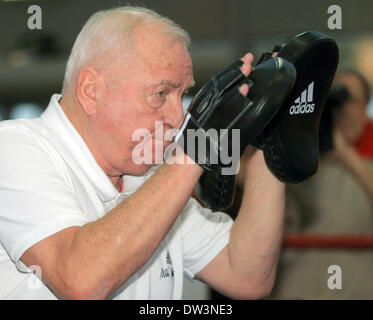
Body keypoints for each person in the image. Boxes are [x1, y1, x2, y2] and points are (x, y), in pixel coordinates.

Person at [0, 6, 285, 299]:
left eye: (182, 95)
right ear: (91, 91)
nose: (178, 118)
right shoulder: (13, 149)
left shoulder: (150, 176)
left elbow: (247, 277)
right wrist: (196, 146)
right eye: (160, 94)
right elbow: (81, 281)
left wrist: (271, 137)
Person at [268, 70, 373, 300]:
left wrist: (344, 153)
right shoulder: (291, 161)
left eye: (350, 100)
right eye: (333, 100)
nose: (341, 109)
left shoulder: (367, 165)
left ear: (365, 106)